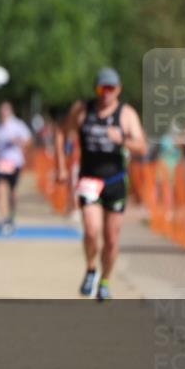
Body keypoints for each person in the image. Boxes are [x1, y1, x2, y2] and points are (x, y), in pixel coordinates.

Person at [55, 67, 147, 301]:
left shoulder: (126, 114)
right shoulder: (83, 110)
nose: (106, 93)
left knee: (112, 238)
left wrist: (122, 140)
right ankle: (90, 269)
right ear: (96, 89)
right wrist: (61, 167)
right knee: (91, 229)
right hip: (89, 180)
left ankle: (105, 280)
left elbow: (142, 146)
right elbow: (61, 133)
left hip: (115, 181)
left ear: (118, 90)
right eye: (101, 88)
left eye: (111, 88)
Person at [0, 101, 32, 235]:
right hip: (0, 162)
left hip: (15, 162)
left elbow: (28, 140)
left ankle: (11, 215)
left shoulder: (18, 125)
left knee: (12, 192)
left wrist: (19, 141)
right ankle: (4, 218)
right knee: (0, 189)